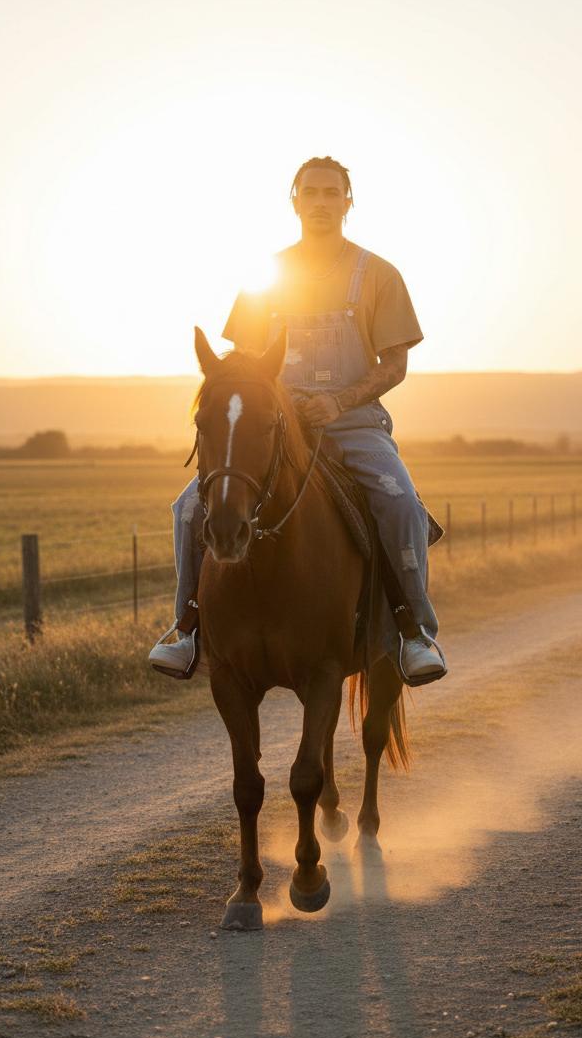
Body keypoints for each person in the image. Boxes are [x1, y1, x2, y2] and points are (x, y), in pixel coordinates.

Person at [149, 155, 447, 684]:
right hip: (273, 427)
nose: (322, 203)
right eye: (311, 193)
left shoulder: (378, 275)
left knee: (400, 502)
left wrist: (337, 403)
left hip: (354, 426)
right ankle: (187, 628)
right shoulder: (265, 277)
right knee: (188, 508)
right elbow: (241, 364)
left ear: (349, 202)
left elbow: (396, 364)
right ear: (294, 201)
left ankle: (414, 633)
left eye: (333, 193)